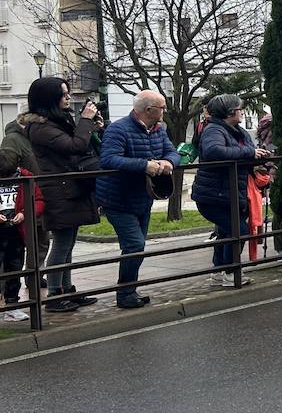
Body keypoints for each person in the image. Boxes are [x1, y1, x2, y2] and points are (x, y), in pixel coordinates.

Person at [20, 78, 100, 310]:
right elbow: (74, 147)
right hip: (59, 192)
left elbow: (79, 143)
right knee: (62, 244)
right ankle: (55, 296)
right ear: (49, 99)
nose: (67, 98)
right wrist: (84, 120)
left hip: (69, 188)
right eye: (63, 94)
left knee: (69, 244)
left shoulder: (56, 122)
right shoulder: (41, 128)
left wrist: (92, 127)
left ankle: (67, 290)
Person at [96, 90, 180, 309]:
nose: (165, 111)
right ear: (148, 109)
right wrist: (144, 165)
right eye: (162, 107)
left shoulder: (159, 130)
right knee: (135, 244)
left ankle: (129, 290)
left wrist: (169, 162)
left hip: (143, 197)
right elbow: (108, 159)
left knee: (137, 247)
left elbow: (173, 152)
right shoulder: (118, 129)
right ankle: (125, 293)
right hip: (117, 198)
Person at [191, 93, 269, 283]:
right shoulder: (214, 130)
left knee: (226, 233)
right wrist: (250, 152)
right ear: (230, 112)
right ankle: (229, 272)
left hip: (233, 192)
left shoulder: (237, 131)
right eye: (239, 109)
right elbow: (213, 151)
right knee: (239, 231)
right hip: (214, 195)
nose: (242, 112)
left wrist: (259, 158)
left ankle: (220, 271)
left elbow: (245, 153)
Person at [0, 147, 40, 321]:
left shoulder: (25, 176)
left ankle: (12, 304)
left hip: (16, 230)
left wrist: (24, 212)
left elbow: (38, 200)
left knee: (15, 267)